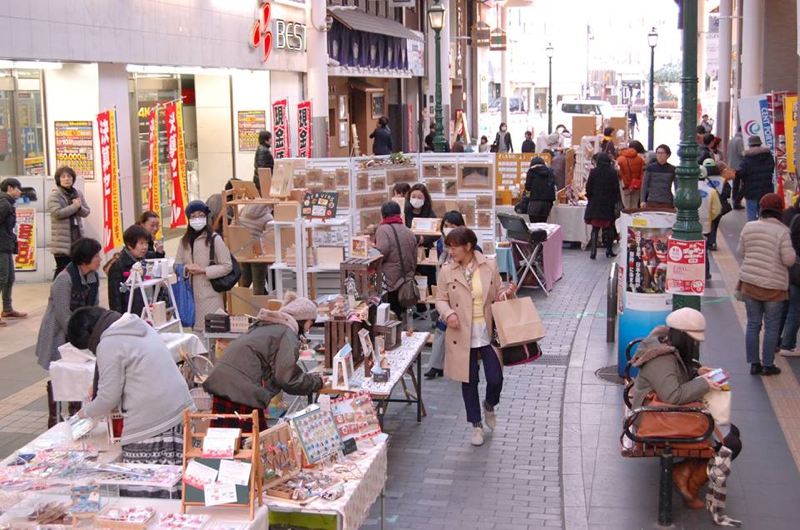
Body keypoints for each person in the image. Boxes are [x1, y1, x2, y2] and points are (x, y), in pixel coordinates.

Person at [68, 308, 194, 466]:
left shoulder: (109, 343)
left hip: (154, 421)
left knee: (145, 482)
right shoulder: (135, 323)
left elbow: (108, 399)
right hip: (180, 410)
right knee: (176, 477)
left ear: (89, 338)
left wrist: (84, 412)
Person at [630, 308, 728, 509]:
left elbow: (671, 380)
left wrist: (696, 371)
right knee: (728, 442)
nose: (695, 344)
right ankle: (686, 480)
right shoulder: (661, 358)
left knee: (726, 436)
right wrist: (704, 384)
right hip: (653, 417)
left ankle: (684, 473)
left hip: (658, 411)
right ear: (683, 337)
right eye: (693, 339)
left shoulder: (664, 347)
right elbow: (673, 395)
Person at [435, 226, 517, 446]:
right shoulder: (446, 271)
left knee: (495, 377)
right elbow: (440, 299)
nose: (450, 251)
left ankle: (490, 405)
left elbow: (498, 293)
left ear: (468, 246)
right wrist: (449, 313)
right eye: (449, 247)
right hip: (461, 332)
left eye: (454, 247)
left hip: (487, 330)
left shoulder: (488, 265)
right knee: (468, 379)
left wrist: (507, 293)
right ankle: (476, 426)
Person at [203, 292, 326, 433]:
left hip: (223, 380)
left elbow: (279, 368)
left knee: (223, 444)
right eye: (312, 321)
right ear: (304, 319)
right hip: (243, 389)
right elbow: (288, 379)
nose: (310, 327)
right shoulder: (286, 334)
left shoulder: (267, 326)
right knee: (253, 443)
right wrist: (317, 382)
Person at [36, 237, 102, 427]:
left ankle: (76, 414)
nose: (99, 259)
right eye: (96, 256)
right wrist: (79, 338)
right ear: (84, 259)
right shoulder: (64, 279)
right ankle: (54, 419)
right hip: (58, 331)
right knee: (59, 371)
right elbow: (62, 313)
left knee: (79, 372)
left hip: (81, 330)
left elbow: (94, 307)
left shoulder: (93, 277)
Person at [738, 193, 794, 376]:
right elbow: (789, 260)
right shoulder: (783, 232)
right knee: (772, 326)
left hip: (750, 283)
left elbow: (741, 251)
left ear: (761, 208)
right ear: (779, 211)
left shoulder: (749, 227)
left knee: (753, 324)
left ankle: (754, 364)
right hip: (774, 288)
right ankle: (768, 365)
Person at [426, 211, 482, 379]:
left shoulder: (472, 247)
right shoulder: (441, 245)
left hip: (465, 297)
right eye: (446, 226)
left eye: (453, 226)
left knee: (462, 333)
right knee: (441, 328)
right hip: (447, 293)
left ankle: (465, 365)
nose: (449, 229)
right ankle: (435, 365)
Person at [174, 200, 233, 332]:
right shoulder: (184, 241)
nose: (197, 219)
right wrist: (186, 268)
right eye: (193, 216)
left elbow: (227, 265)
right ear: (188, 219)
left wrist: (204, 271)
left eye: (201, 215)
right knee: (197, 336)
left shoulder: (214, 239)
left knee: (214, 333)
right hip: (190, 295)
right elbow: (176, 265)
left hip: (210, 294)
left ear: (206, 217)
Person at [375, 201, 418, 319]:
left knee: (390, 314)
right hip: (406, 278)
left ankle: (393, 336)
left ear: (383, 214)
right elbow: (414, 256)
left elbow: (381, 253)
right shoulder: (408, 231)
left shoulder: (383, 230)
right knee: (400, 312)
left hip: (390, 280)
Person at [48, 166, 90, 278]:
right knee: (62, 270)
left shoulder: (78, 193)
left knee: (77, 271)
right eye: (63, 176)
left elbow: (86, 212)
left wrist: (79, 207)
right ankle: (56, 294)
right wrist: (74, 206)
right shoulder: (55, 195)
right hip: (62, 242)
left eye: (69, 176)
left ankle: (73, 294)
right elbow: (57, 213)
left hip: (77, 239)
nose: (67, 179)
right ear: (58, 179)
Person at [584, 153, 622, 260]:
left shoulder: (594, 172)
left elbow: (588, 188)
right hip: (608, 203)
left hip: (595, 203)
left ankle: (593, 252)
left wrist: (591, 198)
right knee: (609, 227)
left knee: (595, 228)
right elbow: (616, 189)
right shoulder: (613, 173)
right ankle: (609, 250)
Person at [107, 225, 151, 316]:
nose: (145, 247)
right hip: (128, 314)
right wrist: (119, 319)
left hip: (144, 312)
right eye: (141, 243)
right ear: (130, 245)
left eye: (146, 243)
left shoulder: (144, 261)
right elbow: (115, 297)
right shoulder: (118, 265)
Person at [0, 178, 26, 326]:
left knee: (9, 278)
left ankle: (7, 308)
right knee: (2, 279)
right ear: (10, 188)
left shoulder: (7, 203)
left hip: (6, 245)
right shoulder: (4, 203)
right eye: (18, 189)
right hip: (1, 247)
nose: (20, 192)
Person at [405, 184, 439, 292]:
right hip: (410, 252)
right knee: (414, 280)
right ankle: (419, 307)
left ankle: (433, 306)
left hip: (427, 252)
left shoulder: (430, 213)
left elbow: (437, 232)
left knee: (429, 279)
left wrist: (423, 239)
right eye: (413, 196)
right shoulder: (405, 213)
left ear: (425, 199)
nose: (416, 199)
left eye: (420, 197)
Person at [735, 135, 775, 222]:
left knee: (751, 215)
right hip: (766, 189)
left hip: (751, 190)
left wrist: (736, 173)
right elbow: (771, 169)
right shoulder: (769, 156)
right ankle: (762, 231)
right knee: (763, 214)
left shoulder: (747, 158)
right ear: (760, 144)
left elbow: (742, 173)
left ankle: (753, 232)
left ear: (750, 145)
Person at [780, 196, 800, 357]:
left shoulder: (787, 214)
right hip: (797, 271)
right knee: (795, 309)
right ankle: (787, 344)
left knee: (785, 306)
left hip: (788, 269)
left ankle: (777, 341)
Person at [240, 203, 273, 296]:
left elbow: (235, 225)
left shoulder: (243, 211)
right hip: (259, 253)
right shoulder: (268, 217)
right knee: (258, 283)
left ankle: (241, 305)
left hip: (243, 250)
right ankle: (257, 307)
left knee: (244, 282)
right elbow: (271, 237)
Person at [697, 167, 721, 280]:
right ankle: (705, 273)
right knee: (703, 252)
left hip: (688, 226)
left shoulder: (684, 189)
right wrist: (709, 218)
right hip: (705, 226)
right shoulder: (712, 192)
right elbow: (717, 209)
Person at [523, 157, 556, 223]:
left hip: (534, 202)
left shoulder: (531, 172)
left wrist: (526, 198)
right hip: (547, 203)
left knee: (534, 226)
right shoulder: (550, 172)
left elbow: (528, 188)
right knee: (543, 225)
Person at [616, 140, 646, 209]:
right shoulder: (640, 159)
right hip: (636, 185)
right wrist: (640, 182)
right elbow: (643, 173)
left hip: (625, 186)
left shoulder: (620, 159)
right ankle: (634, 219)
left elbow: (619, 173)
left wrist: (625, 183)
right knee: (634, 206)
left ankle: (627, 219)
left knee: (626, 207)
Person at [728, 127, 745, 209]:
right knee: (744, 184)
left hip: (732, 165)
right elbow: (741, 153)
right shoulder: (740, 140)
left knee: (735, 184)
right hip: (739, 165)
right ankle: (737, 201)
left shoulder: (731, 140)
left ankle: (735, 200)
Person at [253, 131, 274, 196]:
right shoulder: (264, 151)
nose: (271, 140)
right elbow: (262, 169)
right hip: (262, 183)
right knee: (264, 202)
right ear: (266, 140)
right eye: (270, 138)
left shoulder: (262, 149)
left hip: (260, 182)